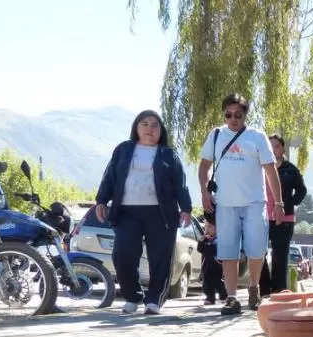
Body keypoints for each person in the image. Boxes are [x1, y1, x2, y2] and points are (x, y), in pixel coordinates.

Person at [95, 110, 192, 315]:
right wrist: (101, 200)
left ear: (161, 130)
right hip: (127, 212)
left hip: (160, 213)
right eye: (145, 124)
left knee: (160, 258)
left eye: (155, 125)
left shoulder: (168, 154)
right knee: (123, 254)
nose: (150, 129)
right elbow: (110, 176)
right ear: (136, 128)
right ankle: (132, 296)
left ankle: (154, 299)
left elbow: (180, 185)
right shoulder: (124, 149)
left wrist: (186, 209)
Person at [199, 93, 283, 316]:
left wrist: (279, 202)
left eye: (238, 114)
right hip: (226, 204)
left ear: (245, 115)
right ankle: (232, 298)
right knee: (228, 252)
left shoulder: (257, 137)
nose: (233, 119)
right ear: (224, 115)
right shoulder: (216, 135)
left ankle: (254, 288)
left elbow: (270, 170)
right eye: (228, 115)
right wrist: (204, 192)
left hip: (254, 202)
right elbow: (204, 165)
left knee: (256, 249)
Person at [258, 134, 307, 296]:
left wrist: (290, 202)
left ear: (283, 149)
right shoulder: (260, 167)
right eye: (270, 147)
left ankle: (278, 290)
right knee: (258, 251)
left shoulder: (290, 169)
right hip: (262, 216)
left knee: (280, 255)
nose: (273, 150)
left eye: (277, 146)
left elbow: (302, 190)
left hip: (284, 219)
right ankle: (264, 288)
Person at [198, 229, 227, 305]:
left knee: (217, 281)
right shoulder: (205, 239)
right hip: (206, 264)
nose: (207, 229)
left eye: (210, 227)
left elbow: (219, 251)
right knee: (207, 282)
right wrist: (201, 241)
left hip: (217, 265)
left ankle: (223, 294)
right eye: (206, 227)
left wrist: (211, 246)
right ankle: (210, 298)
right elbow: (200, 250)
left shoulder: (218, 239)